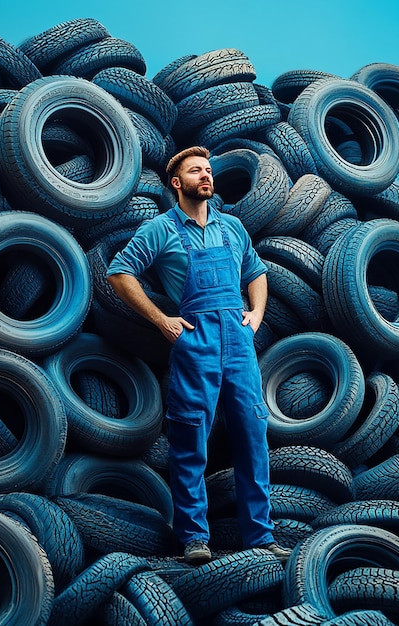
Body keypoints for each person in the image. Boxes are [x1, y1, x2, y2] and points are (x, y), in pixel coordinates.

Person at [106, 146, 290, 564]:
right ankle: (194, 538)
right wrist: (161, 320)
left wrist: (256, 315)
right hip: (196, 342)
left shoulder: (232, 228)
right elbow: (119, 272)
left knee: (252, 437)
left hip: (239, 343)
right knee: (191, 439)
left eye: (208, 171)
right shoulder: (161, 229)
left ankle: (260, 537)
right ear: (177, 183)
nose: (205, 176)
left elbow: (256, 272)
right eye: (195, 172)